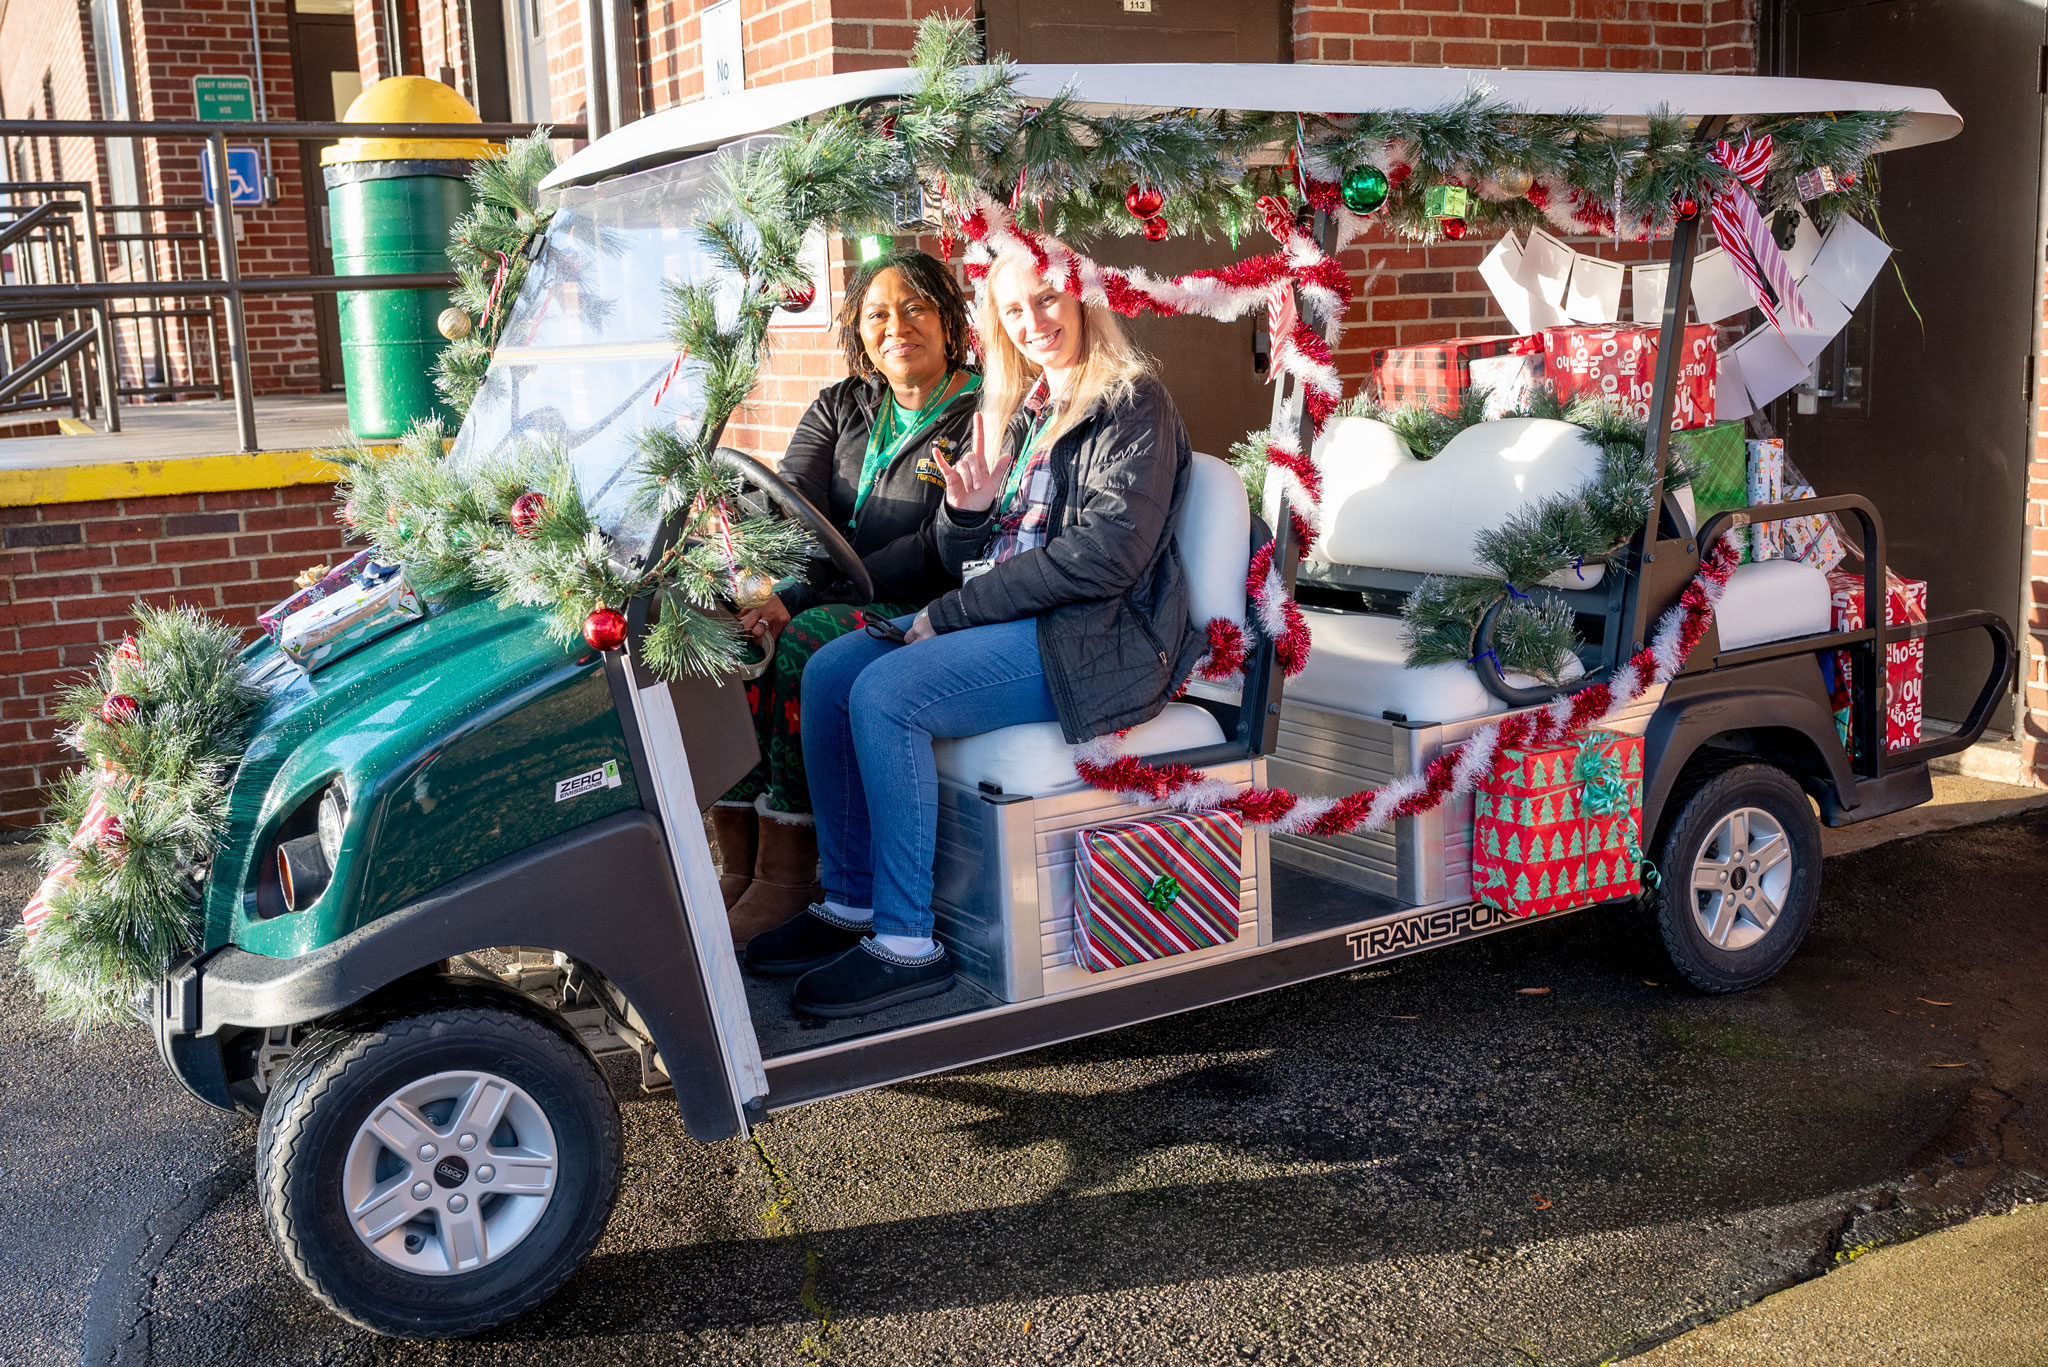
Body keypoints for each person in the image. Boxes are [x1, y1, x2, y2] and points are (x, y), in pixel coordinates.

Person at [745, 246, 1205, 1018]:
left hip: (1095, 641)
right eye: (1015, 310)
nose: (1034, 322)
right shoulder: (1028, 409)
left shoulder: (1134, 401)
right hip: (1023, 619)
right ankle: (854, 901)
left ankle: (905, 943)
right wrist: (967, 512)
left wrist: (948, 614)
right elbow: (974, 552)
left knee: (887, 692)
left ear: (1087, 296)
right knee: (829, 671)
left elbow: (1103, 558)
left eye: (1049, 299)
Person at [713, 250, 980, 946]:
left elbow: (931, 549)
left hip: (921, 610)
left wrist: (798, 596)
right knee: (725, 626)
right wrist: (761, 581)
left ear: (949, 320)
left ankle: (794, 873)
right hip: (828, 593)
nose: (897, 326)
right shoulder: (841, 404)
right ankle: (739, 861)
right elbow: (784, 505)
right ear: (859, 334)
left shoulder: (979, 415)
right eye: (877, 314)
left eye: (915, 307)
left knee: (807, 638)